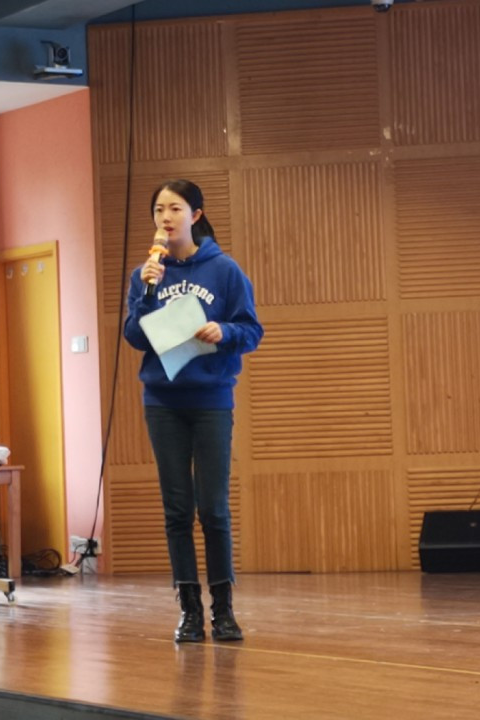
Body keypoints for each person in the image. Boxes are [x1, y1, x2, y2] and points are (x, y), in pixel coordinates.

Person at [124, 179, 263, 643]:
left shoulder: (224, 270)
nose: (166, 218)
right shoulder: (145, 273)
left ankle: (223, 610)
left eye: (176, 209)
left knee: (213, 508)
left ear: (195, 215)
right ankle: (189, 612)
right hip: (162, 403)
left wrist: (225, 332)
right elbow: (135, 336)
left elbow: (252, 330)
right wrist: (148, 292)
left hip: (211, 402)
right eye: (159, 209)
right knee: (177, 510)